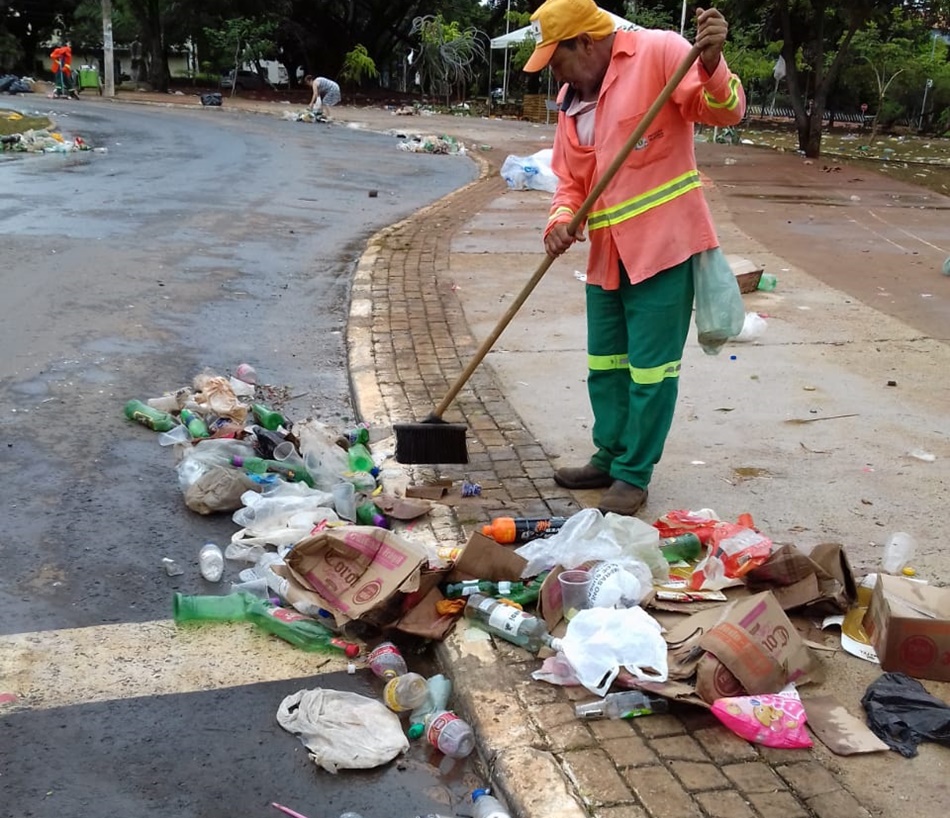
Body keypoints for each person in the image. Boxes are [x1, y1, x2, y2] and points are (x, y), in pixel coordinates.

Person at [524, 0, 745, 516]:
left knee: (650, 372)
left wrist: (712, 63)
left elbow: (725, 110)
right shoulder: (570, 100)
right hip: (607, 256)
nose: (553, 73)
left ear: (585, 42)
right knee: (605, 365)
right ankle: (610, 454)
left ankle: (633, 474)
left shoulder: (661, 52)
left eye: (557, 59)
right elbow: (570, 182)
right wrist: (558, 222)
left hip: (663, 250)